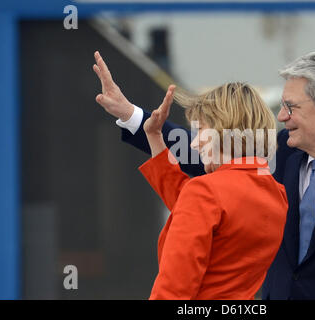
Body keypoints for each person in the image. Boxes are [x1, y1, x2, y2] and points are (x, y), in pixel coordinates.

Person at [93, 50, 315, 299]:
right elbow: (209, 153)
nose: (282, 116)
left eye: (291, 107)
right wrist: (135, 117)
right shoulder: (274, 157)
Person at [93, 52, 288, 299]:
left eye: (200, 130)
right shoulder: (275, 193)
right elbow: (198, 210)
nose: (194, 144)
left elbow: (172, 290)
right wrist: (154, 138)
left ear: (222, 130)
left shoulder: (206, 193)